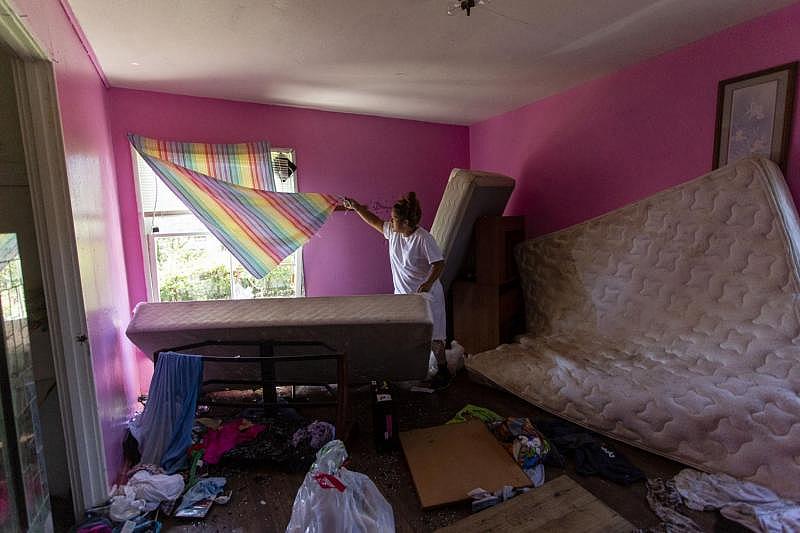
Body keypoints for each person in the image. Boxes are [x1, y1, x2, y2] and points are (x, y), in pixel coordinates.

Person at [343, 192, 451, 389]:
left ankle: (444, 371)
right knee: (403, 335)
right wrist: (357, 207)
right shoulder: (394, 233)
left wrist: (428, 283)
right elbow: (374, 221)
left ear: (406, 222)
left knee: (434, 338)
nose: (390, 221)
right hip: (403, 298)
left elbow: (439, 264)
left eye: (393, 219)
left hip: (427, 298)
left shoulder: (423, 239)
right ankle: (406, 370)